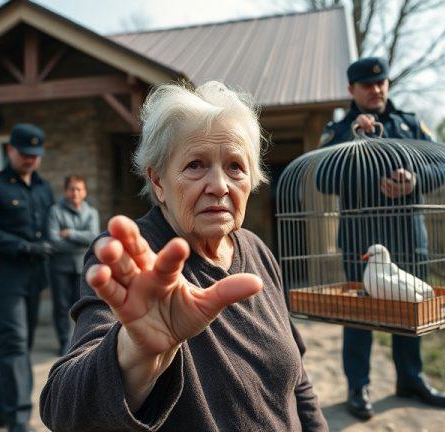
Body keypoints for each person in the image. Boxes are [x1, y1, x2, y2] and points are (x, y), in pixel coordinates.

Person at [40, 81, 327, 431]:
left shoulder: (257, 250)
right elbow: (64, 412)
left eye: (235, 166)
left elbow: (298, 380)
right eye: (196, 165)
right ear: (157, 180)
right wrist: (136, 353)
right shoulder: (136, 259)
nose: (219, 185)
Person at [317, 57, 445, 420]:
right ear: (352, 90)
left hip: (408, 237)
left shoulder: (409, 124)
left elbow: (443, 163)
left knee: (411, 309)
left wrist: (414, 179)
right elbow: (322, 178)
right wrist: (354, 140)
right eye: (366, 85)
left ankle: (411, 379)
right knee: (360, 314)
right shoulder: (339, 129)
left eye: (381, 83)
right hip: (361, 242)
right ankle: (357, 387)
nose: (375, 90)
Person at [0, 123, 55, 432]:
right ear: (10, 150)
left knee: (16, 347)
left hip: (33, 280)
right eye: (24, 154)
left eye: (35, 154)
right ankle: (19, 421)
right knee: (16, 346)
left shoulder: (44, 187)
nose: (30, 159)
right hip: (2, 281)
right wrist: (24, 247)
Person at [47, 175, 100, 356]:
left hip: (82, 267)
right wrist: (80, 239)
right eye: (72, 189)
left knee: (80, 306)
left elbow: (93, 237)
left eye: (79, 189)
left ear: (84, 192)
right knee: (61, 306)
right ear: (65, 191)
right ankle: (63, 342)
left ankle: (78, 342)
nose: (75, 192)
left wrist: (68, 233)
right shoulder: (55, 211)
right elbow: (53, 241)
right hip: (59, 267)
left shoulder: (91, 213)